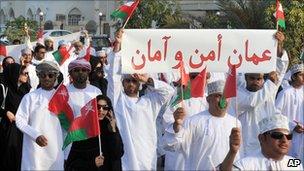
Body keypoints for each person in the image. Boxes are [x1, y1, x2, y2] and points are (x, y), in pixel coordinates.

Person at [106, 29, 175, 170]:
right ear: (123, 83)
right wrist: (117, 48)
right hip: (125, 159)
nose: (131, 84)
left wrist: (147, 79)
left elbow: (169, 91)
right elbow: (113, 77)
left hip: (146, 157)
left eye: (134, 81)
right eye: (127, 81)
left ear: (140, 84)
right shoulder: (118, 101)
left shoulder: (150, 102)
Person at [228, 31, 289, 156]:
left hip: (266, 145)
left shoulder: (269, 90)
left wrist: (279, 45)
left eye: (259, 79)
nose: (255, 82)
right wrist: (270, 83)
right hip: (245, 146)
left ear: (263, 79)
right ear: (245, 79)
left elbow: (280, 67)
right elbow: (252, 102)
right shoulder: (237, 94)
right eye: (252, 78)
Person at [163, 80, 242, 170]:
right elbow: (173, 145)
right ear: (208, 99)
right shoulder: (193, 121)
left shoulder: (235, 123)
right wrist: (177, 126)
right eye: (219, 96)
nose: (223, 100)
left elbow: (238, 153)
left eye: (226, 97)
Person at [15, 61, 65, 170]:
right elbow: (19, 120)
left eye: (50, 75)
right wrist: (35, 135)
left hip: (55, 147)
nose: (46, 78)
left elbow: (67, 124)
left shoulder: (62, 97)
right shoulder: (30, 97)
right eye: (43, 75)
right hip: (34, 148)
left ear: (56, 77)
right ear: (38, 76)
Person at [220, 114, 303, 170]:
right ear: (262, 138)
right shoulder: (246, 164)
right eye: (277, 135)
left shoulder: (294, 163)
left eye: (288, 136)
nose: (284, 140)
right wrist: (232, 152)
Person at [66, 95, 124, 171]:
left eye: (105, 108)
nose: (101, 110)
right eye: (98, 107)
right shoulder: (84, 130)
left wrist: (113, 131)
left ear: (109, 110)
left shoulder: (111, 127)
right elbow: (71, 164)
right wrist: (92, 163)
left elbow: (118, 154)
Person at [64, 59, 102, 168]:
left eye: (84, 70)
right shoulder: (63, 92)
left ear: (88, 72)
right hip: (71, 141)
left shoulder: (96, 91)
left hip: (92, 141)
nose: (81, 72)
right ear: (70, 73)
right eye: (76, 70)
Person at [0, 63, 31, 170]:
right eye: (24, 73)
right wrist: (6, 112)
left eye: (27, 73)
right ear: (16, 74)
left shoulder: (27, 89)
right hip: (7, 128)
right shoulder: (5, 88)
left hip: (22, 128)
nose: (26, 75)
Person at [275, 63, 304, 163]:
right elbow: (276, 114)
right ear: (294, 77)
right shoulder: (285, 93)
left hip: (302, 136)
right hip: (288, 135)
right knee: (288, 161)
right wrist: (292, 126)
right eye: (301, 75)